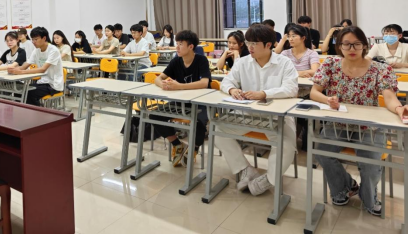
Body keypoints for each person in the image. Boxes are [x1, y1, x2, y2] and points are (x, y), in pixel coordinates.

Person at [311, 26, 406, 216]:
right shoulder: (330, 64)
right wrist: (327, 100)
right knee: (321, 152)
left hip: (368, 126)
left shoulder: (380, 68)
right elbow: (314, 92)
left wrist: (399, 108)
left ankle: (369, 196)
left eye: (356, 44)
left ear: (364, 45)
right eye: (346, 44)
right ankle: (346, 186)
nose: (352, 48)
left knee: (370, 164)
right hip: (338, 123)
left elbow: (389, 97)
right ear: (340, 46)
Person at [216, 24, 298, 196]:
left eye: (254, 43)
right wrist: (232, 89)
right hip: (248, 114)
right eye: (248, 43)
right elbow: (227, 82)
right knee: (217, 131)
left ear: (268, 45)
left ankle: (268, 180)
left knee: (287, 144)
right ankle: (245, 169)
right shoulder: (243, 62)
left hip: (277, 117)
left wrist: (264, 94)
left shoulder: (284, 63)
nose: (249, 47)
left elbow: (291, 89)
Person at [151, 30, 211, 166]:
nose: (176, 47)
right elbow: (158, 78)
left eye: (180, 44)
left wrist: (179, 86)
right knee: (154, 115)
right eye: (176, 43)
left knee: (199, 122)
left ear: (191, 46)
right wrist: (163, 84)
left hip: (200, 102)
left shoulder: (201, 60)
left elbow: (204, 83)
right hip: (181, 102)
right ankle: (177, 144)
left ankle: (194, 148)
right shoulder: (176, 61)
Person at [8, 27, 64, 106]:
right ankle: (26, 111)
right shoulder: (36, 50)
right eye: (32, 39)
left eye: (36, 39)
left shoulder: (53, 50)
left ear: (44, 38)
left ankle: (38, 111)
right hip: (42, 82)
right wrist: (14, 69)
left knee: (29, 93)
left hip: (53, 85)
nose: (33, 42)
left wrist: (21, 72)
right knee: (19, 91)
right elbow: (26, 64)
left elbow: (43, 69)